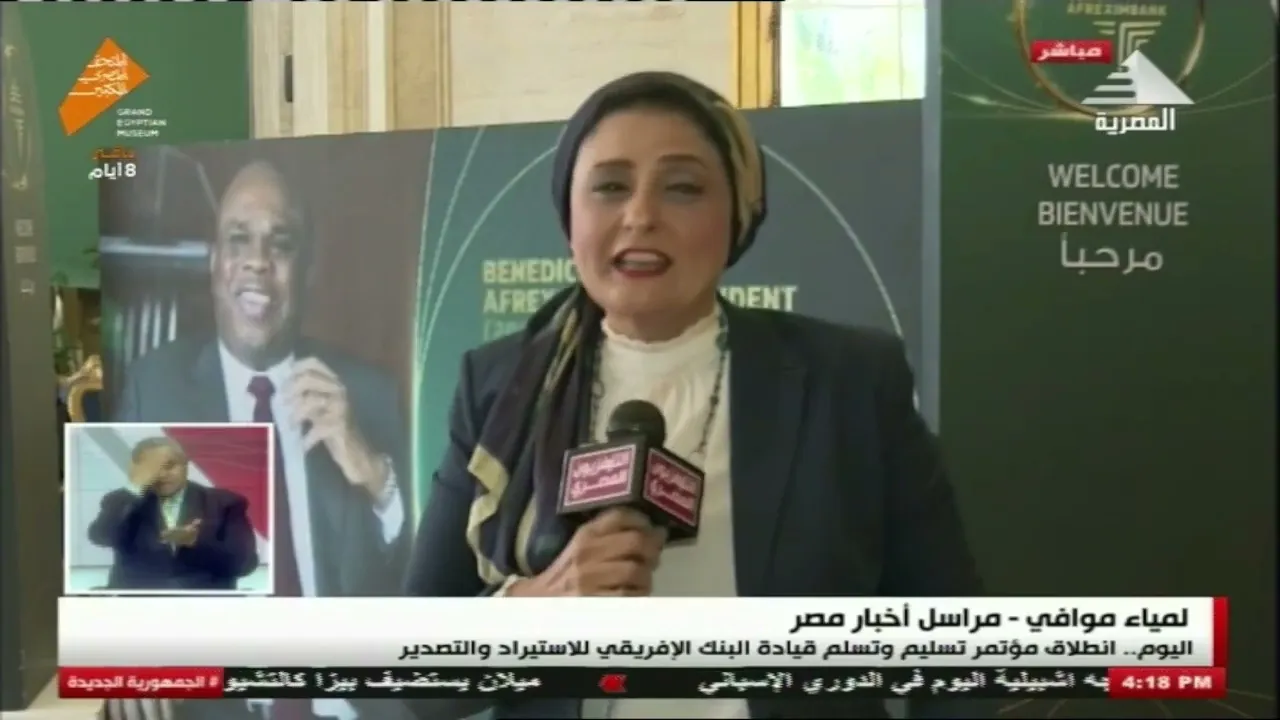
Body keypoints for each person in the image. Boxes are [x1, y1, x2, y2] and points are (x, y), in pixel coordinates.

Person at [404, 72, 987, 720]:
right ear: (570, 218)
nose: (641, 216)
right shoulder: (500, 388)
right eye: (610, 187)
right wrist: (538, 606)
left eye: (682, 187)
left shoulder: (849, 381)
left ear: (737, 217)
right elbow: (414, 683)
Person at [113, 160, 413, 720]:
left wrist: (377, 478)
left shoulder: (368, 395)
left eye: (281, 243)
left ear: (308, 270)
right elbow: (120, 561)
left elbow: (421, 585)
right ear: (214, 264)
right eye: (238, 239)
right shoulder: (156, 389)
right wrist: (122, 649)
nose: (257, 261)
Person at [87, 436, 257, 591]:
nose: (162, 475)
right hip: (138, 604)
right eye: (153, 469)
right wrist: (134, 487)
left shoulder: (225, 503)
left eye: (169, 466)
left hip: (204, 604)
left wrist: (195, 542)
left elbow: (245, 565)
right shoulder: (121, 501)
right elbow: (101, 537)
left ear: (186, 465)